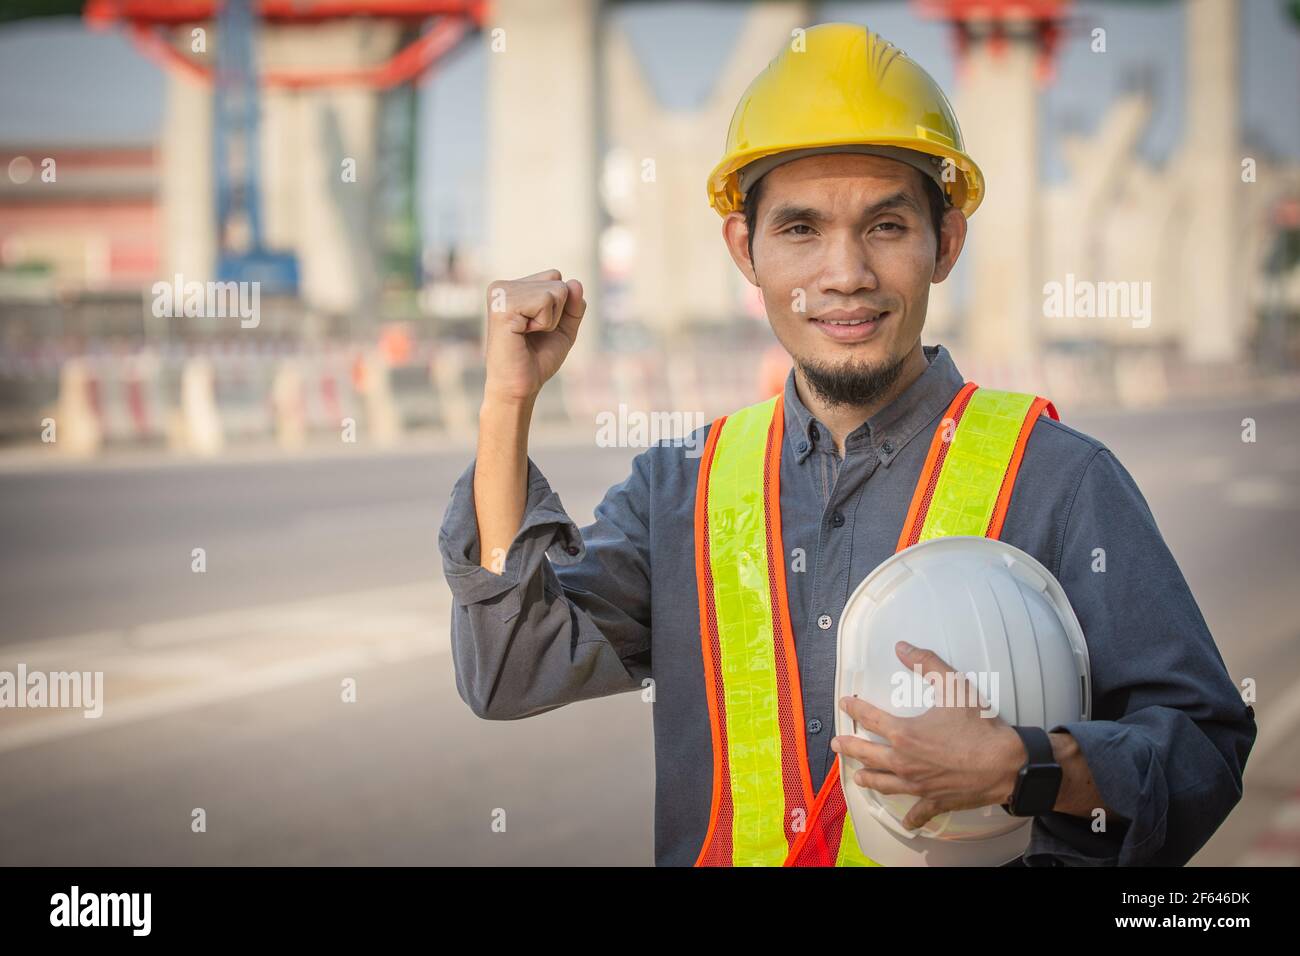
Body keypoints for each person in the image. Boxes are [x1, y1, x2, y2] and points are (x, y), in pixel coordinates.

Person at [438, 22, 1255, 866]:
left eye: (886, 226)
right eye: (799, 230)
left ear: (946, 242)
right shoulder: (677, 490)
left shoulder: (1060, 479)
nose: (846, 274)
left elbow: (1202, 750)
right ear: (743, 250)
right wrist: (508, 401)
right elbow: (510, 670)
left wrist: (1028, 766)